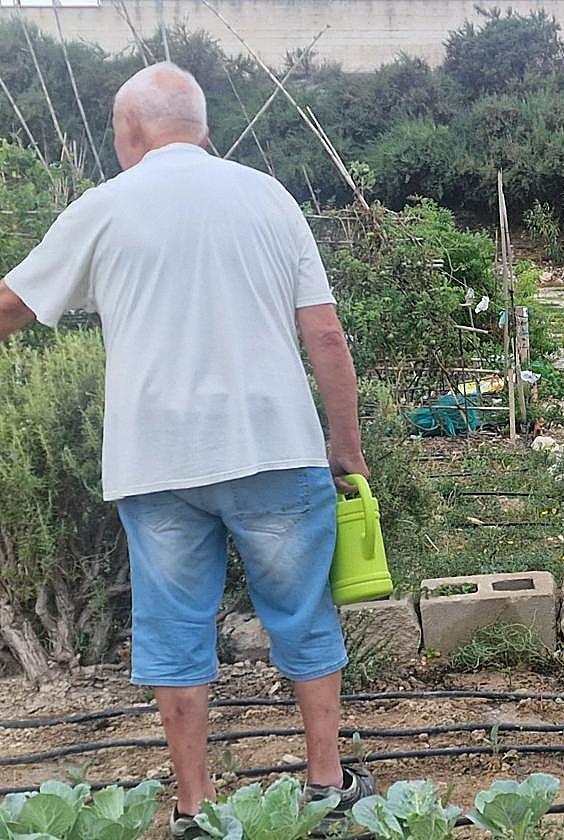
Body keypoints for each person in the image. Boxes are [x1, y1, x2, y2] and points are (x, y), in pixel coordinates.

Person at [0, 63, 372, 835]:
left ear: (130, 127)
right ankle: (328, 785)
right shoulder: (269, 197)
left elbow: (12, 304)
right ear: (198, 125)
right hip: (275, 447)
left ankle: (196, 807)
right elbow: (326, 334)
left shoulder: (104, 207)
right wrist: (346, 448)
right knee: (303, 617)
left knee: (175, 633)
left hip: (158, 459)